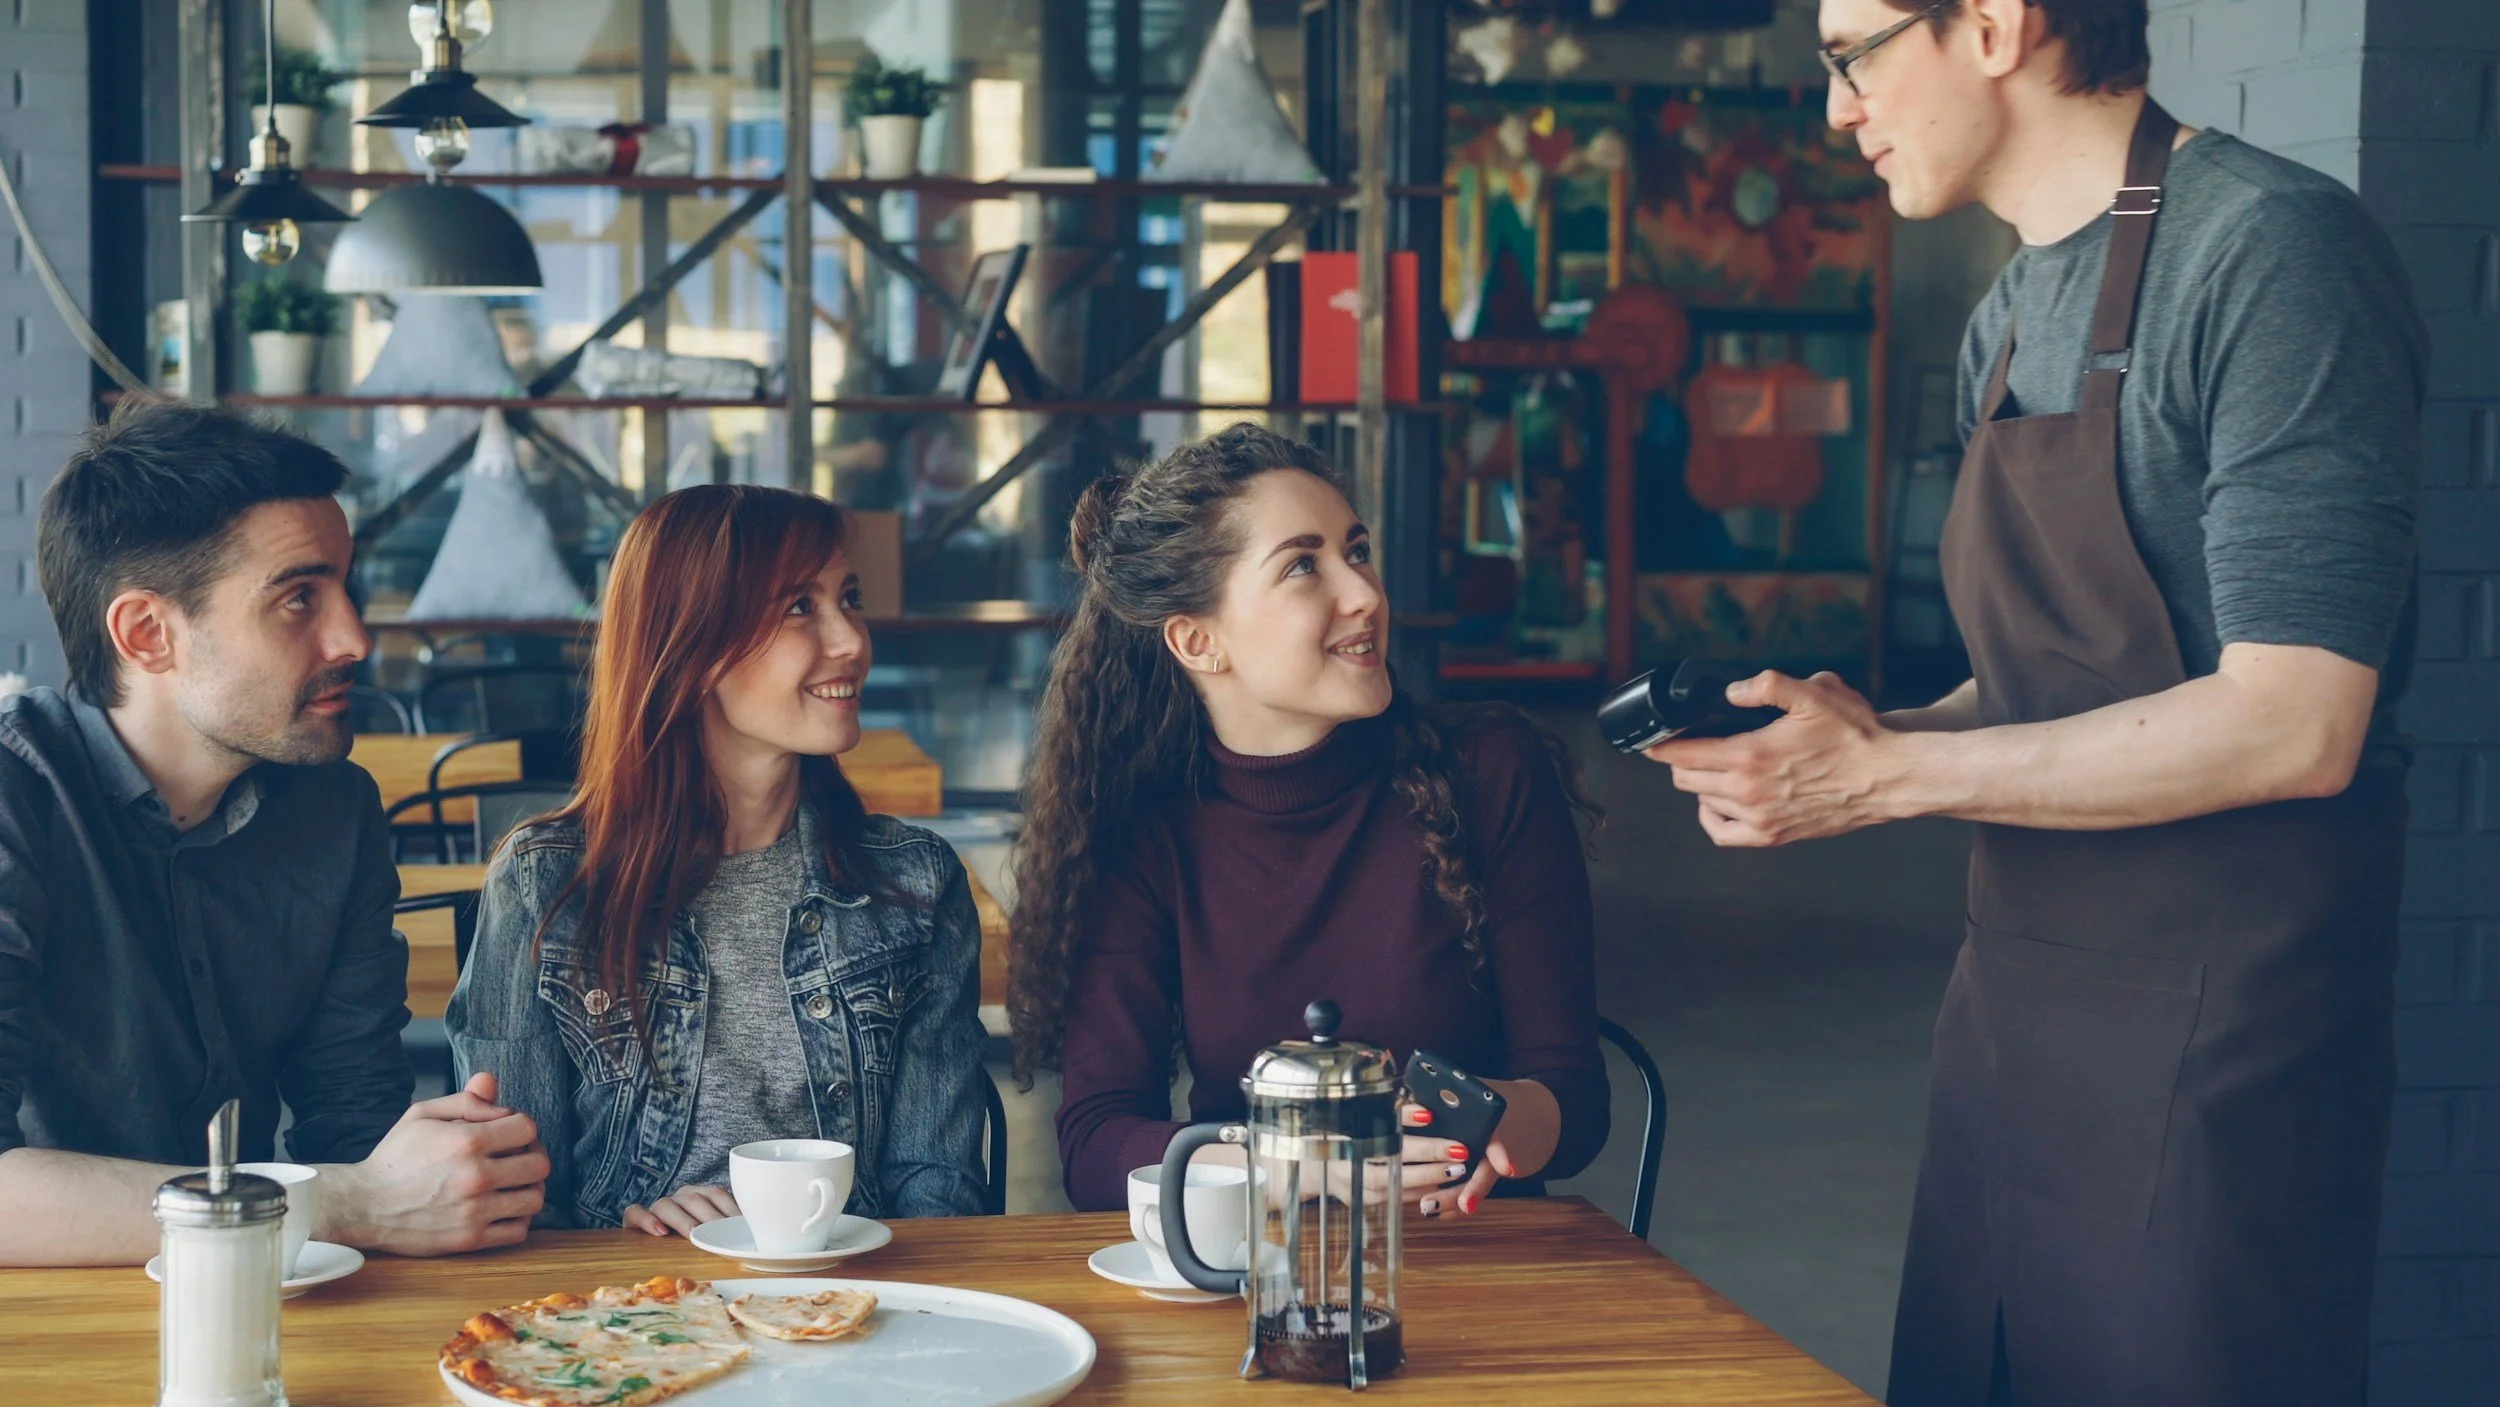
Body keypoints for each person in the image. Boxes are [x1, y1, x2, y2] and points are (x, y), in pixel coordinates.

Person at [1645, 3, 2425, 1402]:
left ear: (1994, 25)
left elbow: (2300, 717)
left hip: (2225, 1040)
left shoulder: (2272, 255)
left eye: (1852, 53)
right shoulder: (2009, 312)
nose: (1836, 107)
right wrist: (1866, 738)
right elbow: (2038, 693)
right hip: (2014, 1023)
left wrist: (1891, 779)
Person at [0, 401, 550, 1267]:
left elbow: (357, 1122)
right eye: (298, 598)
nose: (355, 636)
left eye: (344, 585)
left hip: (274, 1305)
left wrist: (442, 1179)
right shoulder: (16, 800)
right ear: (148, 633)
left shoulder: (333, 810)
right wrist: (345, 1201)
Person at [1011, 423, 1609, 1217]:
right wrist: (1303, 1159)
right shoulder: (1145, 830)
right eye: (1303, 566)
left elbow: (1572, 1097)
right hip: (1249, 1264)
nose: (1363, 593)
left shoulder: (1489, 770)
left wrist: (1489, 1119)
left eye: (1355, 551)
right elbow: (1095, 1145)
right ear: (1198, 640)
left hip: (1480, 1258)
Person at [449, 485, 989, 1233]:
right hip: (629, 1323)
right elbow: (509, 1203)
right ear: (693, 648)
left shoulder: (916, 884)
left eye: (849, 598)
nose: (852, 641)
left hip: (848, 1300)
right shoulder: (545, 884)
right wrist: (627, 1236)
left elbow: (940, 1196)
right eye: (800, 606)